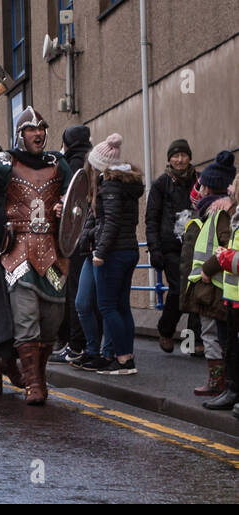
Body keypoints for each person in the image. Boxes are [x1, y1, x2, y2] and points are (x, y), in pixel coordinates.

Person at [0, 106, 72, 405]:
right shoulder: (5, 162)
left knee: (51, 319)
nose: (37, 134)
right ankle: (34, 384)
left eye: (41, 129)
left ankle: (39, 371)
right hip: (19, 253)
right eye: (30, 129)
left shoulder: (57, 162)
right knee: (26, 319)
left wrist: (64, 205)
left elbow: (77, 193)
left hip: (53, 254)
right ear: (20, 134)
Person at [77, 134, 144, 375]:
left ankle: (123, 359)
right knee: (122, 306)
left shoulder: (110, 185)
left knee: (107, 307)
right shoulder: (127, 183)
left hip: (113, 253)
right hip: (129, 250)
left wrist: (100, 252)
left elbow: (111, 222)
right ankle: (126, 357)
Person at [184, 153, 236, 408]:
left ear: (210, 186)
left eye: (202, 185)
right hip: (212, 284)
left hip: (213, 285)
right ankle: (220, 382)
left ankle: (219, 382)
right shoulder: (214, 212)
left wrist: (207, 269)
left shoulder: (219, 213)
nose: (199, 189)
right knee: (213, 333)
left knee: (212, 334)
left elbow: (225, 246)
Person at [147, 139, 198, 354]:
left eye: (183, 155)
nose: (180, 159)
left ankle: (193, 342)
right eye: (175, 156)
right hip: (170, 247)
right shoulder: (161, 184)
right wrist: (155, 249)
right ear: (169, 159)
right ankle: (166, 330)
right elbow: (151, 218)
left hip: (196, 246)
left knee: (196, 291)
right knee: (178, 290)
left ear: (189, 157)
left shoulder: (199, 181)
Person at [55, 125, 93, 363]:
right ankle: (91, 345)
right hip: (91, 238)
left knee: (74, 294)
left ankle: (75, 344)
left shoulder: (68, 167)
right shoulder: (92, 164)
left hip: (72, 240)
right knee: (92, 297)